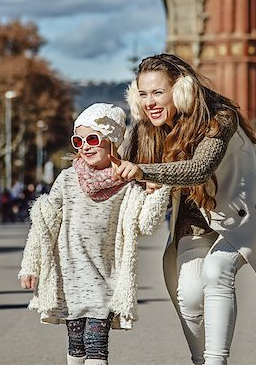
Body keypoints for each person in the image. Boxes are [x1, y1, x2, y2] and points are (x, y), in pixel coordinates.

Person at [112, 54, 256, 365]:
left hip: (243, 215)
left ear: (183, 89)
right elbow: (117, 165)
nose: (150, 102)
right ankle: (201, 360)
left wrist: (145, 171)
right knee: (187, 293)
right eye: (143, 94)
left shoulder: (220, 118)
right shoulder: (146, 130)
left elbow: (200, 168)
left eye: (159, 92)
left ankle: (216, 361)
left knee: (217, 271)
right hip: (194, 221)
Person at [18, 103, 171, 365]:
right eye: (78, 140)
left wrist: (159, 191)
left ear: (112, 141)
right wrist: (31, 266)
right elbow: (43, 223)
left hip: (105, 277)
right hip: (69, 276)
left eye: (92, 139)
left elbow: (145, 224)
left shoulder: (126, 183)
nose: (85, 146)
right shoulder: (67, 179)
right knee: (76, 344)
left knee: (96, 343)